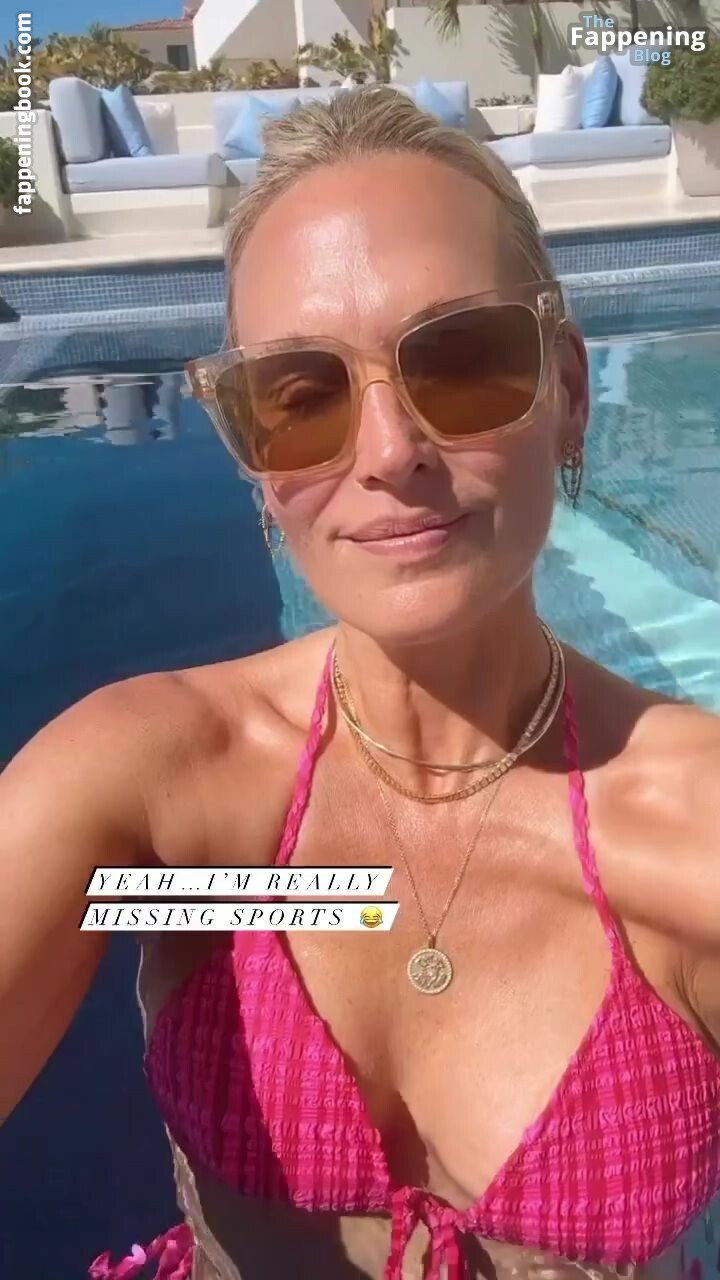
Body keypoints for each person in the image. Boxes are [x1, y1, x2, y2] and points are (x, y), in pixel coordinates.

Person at [1, 87, 719, 1280]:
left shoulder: (690, 839)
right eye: (300, 395)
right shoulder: (160, 803)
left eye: (465, 361)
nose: (388, 452)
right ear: (244, 446)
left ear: (570, 392)